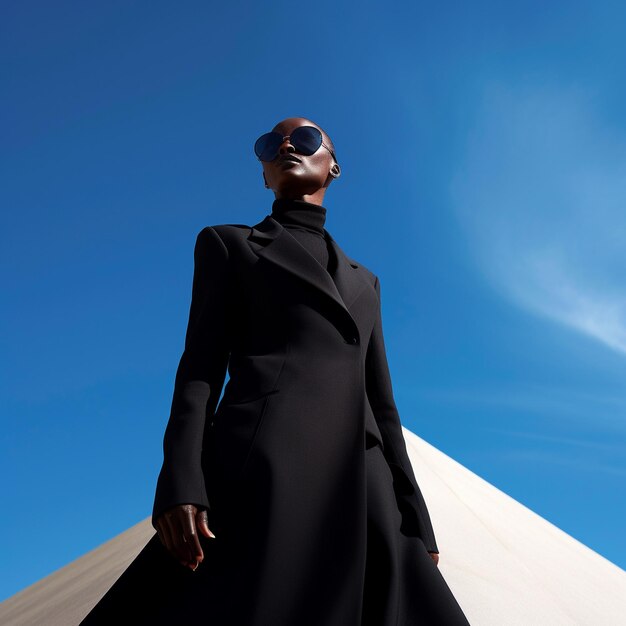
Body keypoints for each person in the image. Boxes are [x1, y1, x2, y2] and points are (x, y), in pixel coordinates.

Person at [81, 117, 470, 625]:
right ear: (265, 174)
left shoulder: (365, 282)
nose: (286, 145)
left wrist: (416, 517)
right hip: (265, 460)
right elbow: (199, 369)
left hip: (364, 474)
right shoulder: (229, 245)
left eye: (305, 139)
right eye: (271, 144)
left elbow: (383, 403)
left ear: (333, 166)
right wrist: (180, 482)